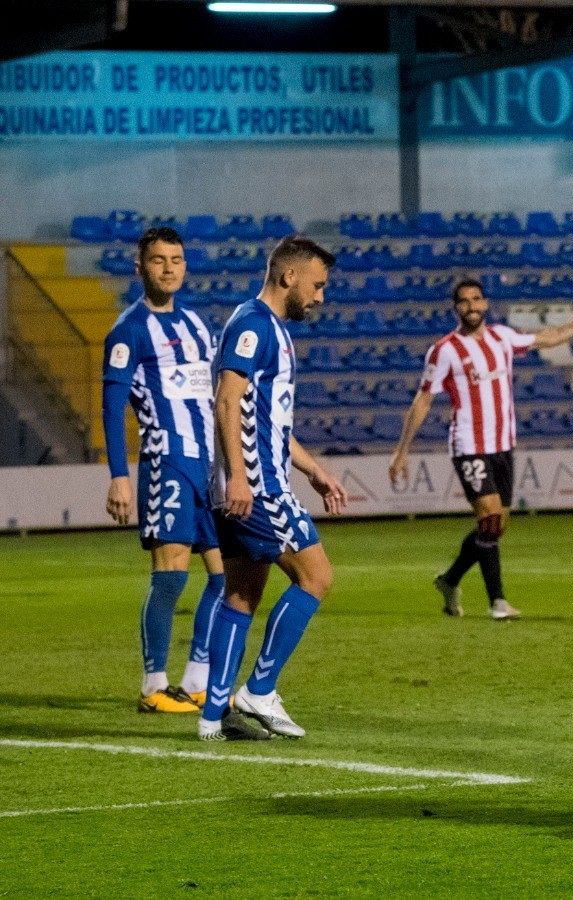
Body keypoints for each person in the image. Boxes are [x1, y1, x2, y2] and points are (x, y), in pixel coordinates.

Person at [387, 279, 573, 620]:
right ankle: (498, 602)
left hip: (503, 444)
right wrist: (402, 451)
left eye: (476, 299)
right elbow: (424, 398)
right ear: (456, 308)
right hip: (468, 445)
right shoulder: (445, 350)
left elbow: (546, 337)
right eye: (463, 301)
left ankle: (450, 580)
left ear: (486, 303)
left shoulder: (502, 338)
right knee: (489, 518)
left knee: (495, 526)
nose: (471, 306)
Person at [199, 236, 348, 742]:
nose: (321, 297)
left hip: (254, 481)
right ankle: (260, 689)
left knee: (241, 593)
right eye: (318, 285)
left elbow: (271, 424)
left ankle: (214, 716)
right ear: (289, 276)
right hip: (257, 487)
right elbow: (226, 400)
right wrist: (240, 477)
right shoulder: (252, 324)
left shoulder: (274, 331)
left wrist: (313, 468)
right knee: (317, 577)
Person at [101, 226, 226, 714]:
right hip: (167, 460)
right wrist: (118, 475)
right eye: (158, 260)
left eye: (176, 259)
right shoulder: (129, 330)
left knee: (223, 576)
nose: (169, 267)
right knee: (171, 572)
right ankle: (153, 685)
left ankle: (196, 681)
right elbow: (112, 408)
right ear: (140, 268)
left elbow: (215, 396)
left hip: (208, 466)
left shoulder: (197, 326)